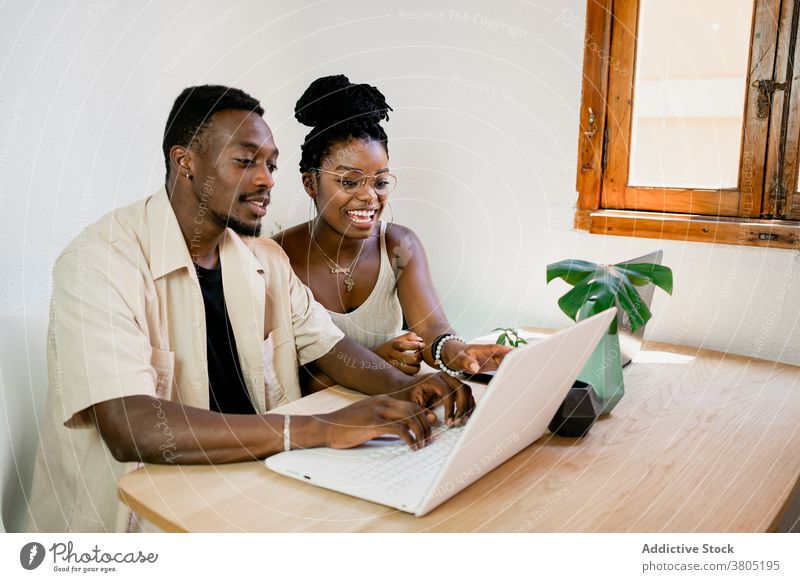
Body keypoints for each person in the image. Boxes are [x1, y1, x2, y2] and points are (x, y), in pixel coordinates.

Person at [27, 85, 474, 533]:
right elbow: (131, 427)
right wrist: (319, 428)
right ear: (185, 162)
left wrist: (406, 388)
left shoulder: (263, 259)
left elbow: (331, 348)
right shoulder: (99, 262)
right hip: (143, 518)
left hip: (254, 484)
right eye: (245, 161)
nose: (265, 179)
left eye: (270, 164)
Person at [274, 75, 510, 391]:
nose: (370, 196)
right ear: (310, 183)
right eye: (349, 182)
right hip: (319, 422)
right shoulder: (276, 258)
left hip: (389, 408)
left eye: (380, 182)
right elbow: (278, 380)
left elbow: (431, 328)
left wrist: (459, 352)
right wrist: (377, 362)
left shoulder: (398, 246)